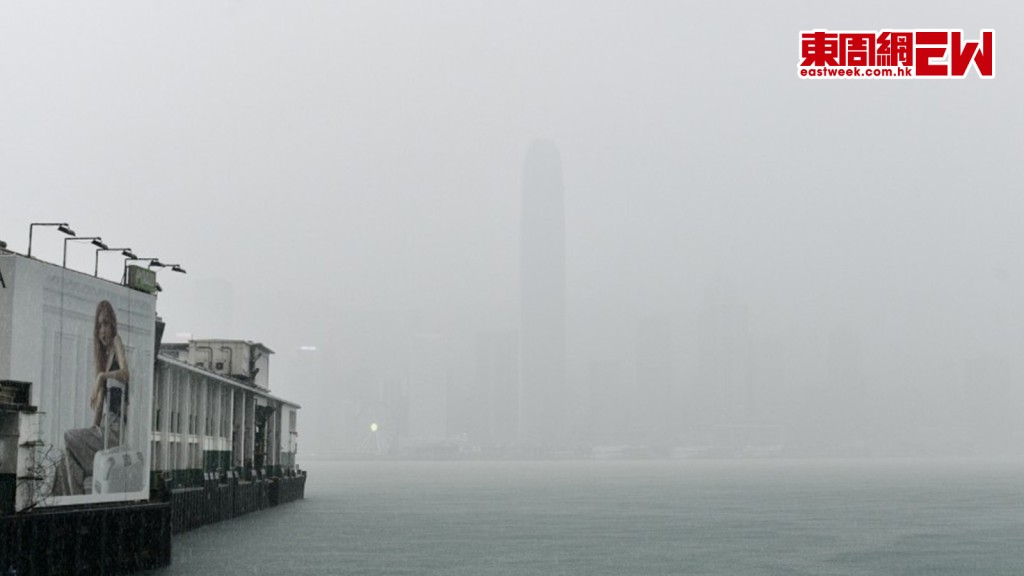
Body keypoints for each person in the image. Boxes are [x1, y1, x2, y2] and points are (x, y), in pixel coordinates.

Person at [51, 300, 130, 496]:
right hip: (103, 429)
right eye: (99, 326)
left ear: (113, 325)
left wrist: (102, 376)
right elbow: (100, 406)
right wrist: (91, 430)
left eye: (106, 324)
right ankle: (70, 503)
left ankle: (71, 500)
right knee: (65, 455)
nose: (103, 330)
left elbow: (126, 373)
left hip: (115, 431)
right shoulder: (102, 358)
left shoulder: (117, 342)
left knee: (68, 436)